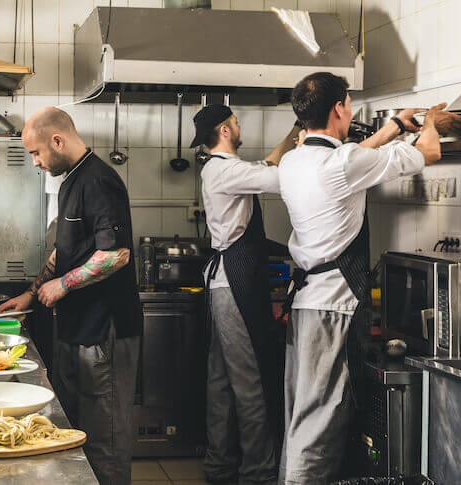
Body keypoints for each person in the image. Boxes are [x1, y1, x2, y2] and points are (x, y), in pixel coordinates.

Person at [277, 72, 461, 484]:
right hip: (335, 309)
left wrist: (394, 127)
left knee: (300, 418)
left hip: (307, 305)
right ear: (340, 108)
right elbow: (428, 153)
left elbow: (347, 160)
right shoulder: (344, 163)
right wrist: (430, 121)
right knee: (320, 424)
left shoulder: (295, 161)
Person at [0, 107, 143, 485]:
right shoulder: (71, 183)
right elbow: (65, 252)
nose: (35, 162)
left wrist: (62, 285)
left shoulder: (98, 181)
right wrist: (32, 293)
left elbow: (116, 254)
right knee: (77, 433)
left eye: (36, 152)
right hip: (78, 329)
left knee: (104, 439)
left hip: (103, 333)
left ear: (57, 141)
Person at [193, 104, 300, 485]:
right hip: (234, 285)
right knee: (249, 381)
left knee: (221, 382)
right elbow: (277, 179)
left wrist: (292, 136)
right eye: (236, 122)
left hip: (226, 283)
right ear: (225, 129)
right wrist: (312, 150)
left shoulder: (223, 168)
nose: (240, 127)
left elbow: (266, 167)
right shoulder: (226, 169)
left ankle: (220, 468)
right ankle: (258, 473)